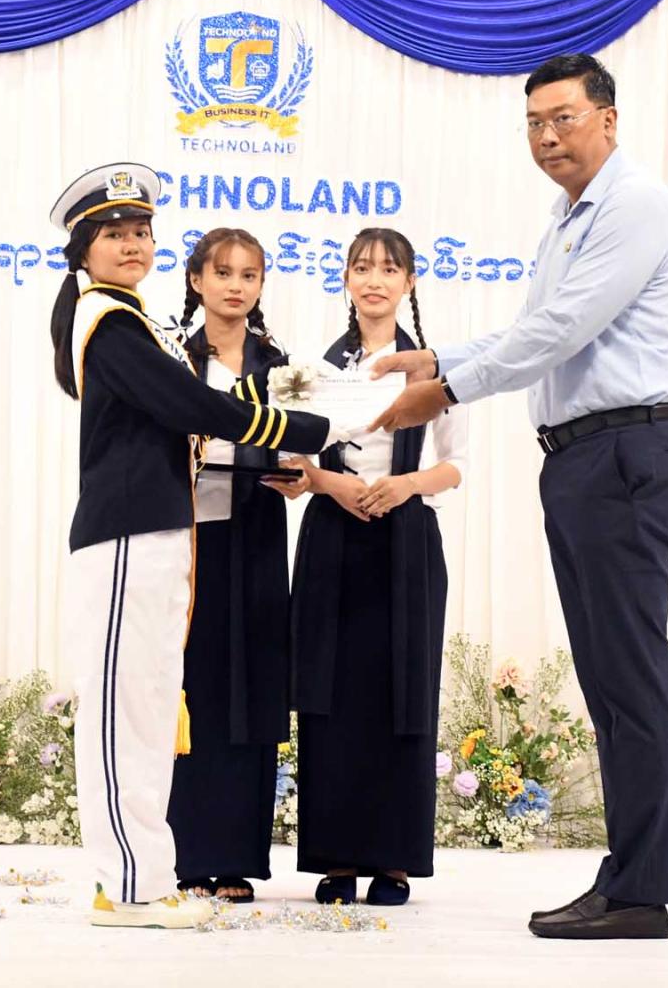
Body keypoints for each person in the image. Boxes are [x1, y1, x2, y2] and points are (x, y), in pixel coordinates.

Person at [369, 54, 668, 939]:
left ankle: (639, 891)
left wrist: (445, 391)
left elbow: (561, 330)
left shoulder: (634, 206)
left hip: (626, 451)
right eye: (533, 123)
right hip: (585, 458)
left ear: (609, 119)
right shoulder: (568, 218)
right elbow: (533, 331)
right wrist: (440, 360)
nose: (547, 136)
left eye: (563, 117)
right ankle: (628, 878)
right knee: (610, 678)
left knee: (629, 677)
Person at [48, 164, 341, 929]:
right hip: (125, 532)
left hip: (156, 532)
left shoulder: (128, 317)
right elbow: (188, 404)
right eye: (115, 233)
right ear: (84, 246)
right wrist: (307, 427)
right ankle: (127, 887)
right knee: (124, 713)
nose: (133, 244)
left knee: (147, 706)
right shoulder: (107, 320)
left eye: (142, 232)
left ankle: (144, 878)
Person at [270, 228, 466, 906]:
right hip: (332, 532)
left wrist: (404, 485)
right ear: (346, 280)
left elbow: (456, 465)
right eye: (362, 268)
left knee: (401, 693)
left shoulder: (431, 371)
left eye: (389, 268)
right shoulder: (314, 369)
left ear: (409, 282)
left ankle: (394, 860)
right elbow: (296, 459)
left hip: (407, 538)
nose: (374, 280)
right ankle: (336, 859)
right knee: (328, 692)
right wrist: (331, 486)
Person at [165, 228, 293, 903]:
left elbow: (302, 448)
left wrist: (301, 472)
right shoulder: (173, 359)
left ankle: (238, 857)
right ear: (197, 281)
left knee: (252, 688)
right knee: (192, 685)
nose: (236, 286)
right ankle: (187, 855)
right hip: (185, 541)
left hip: (258, 534)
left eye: (249, 274)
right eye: (223, 273)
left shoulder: (280, 366)